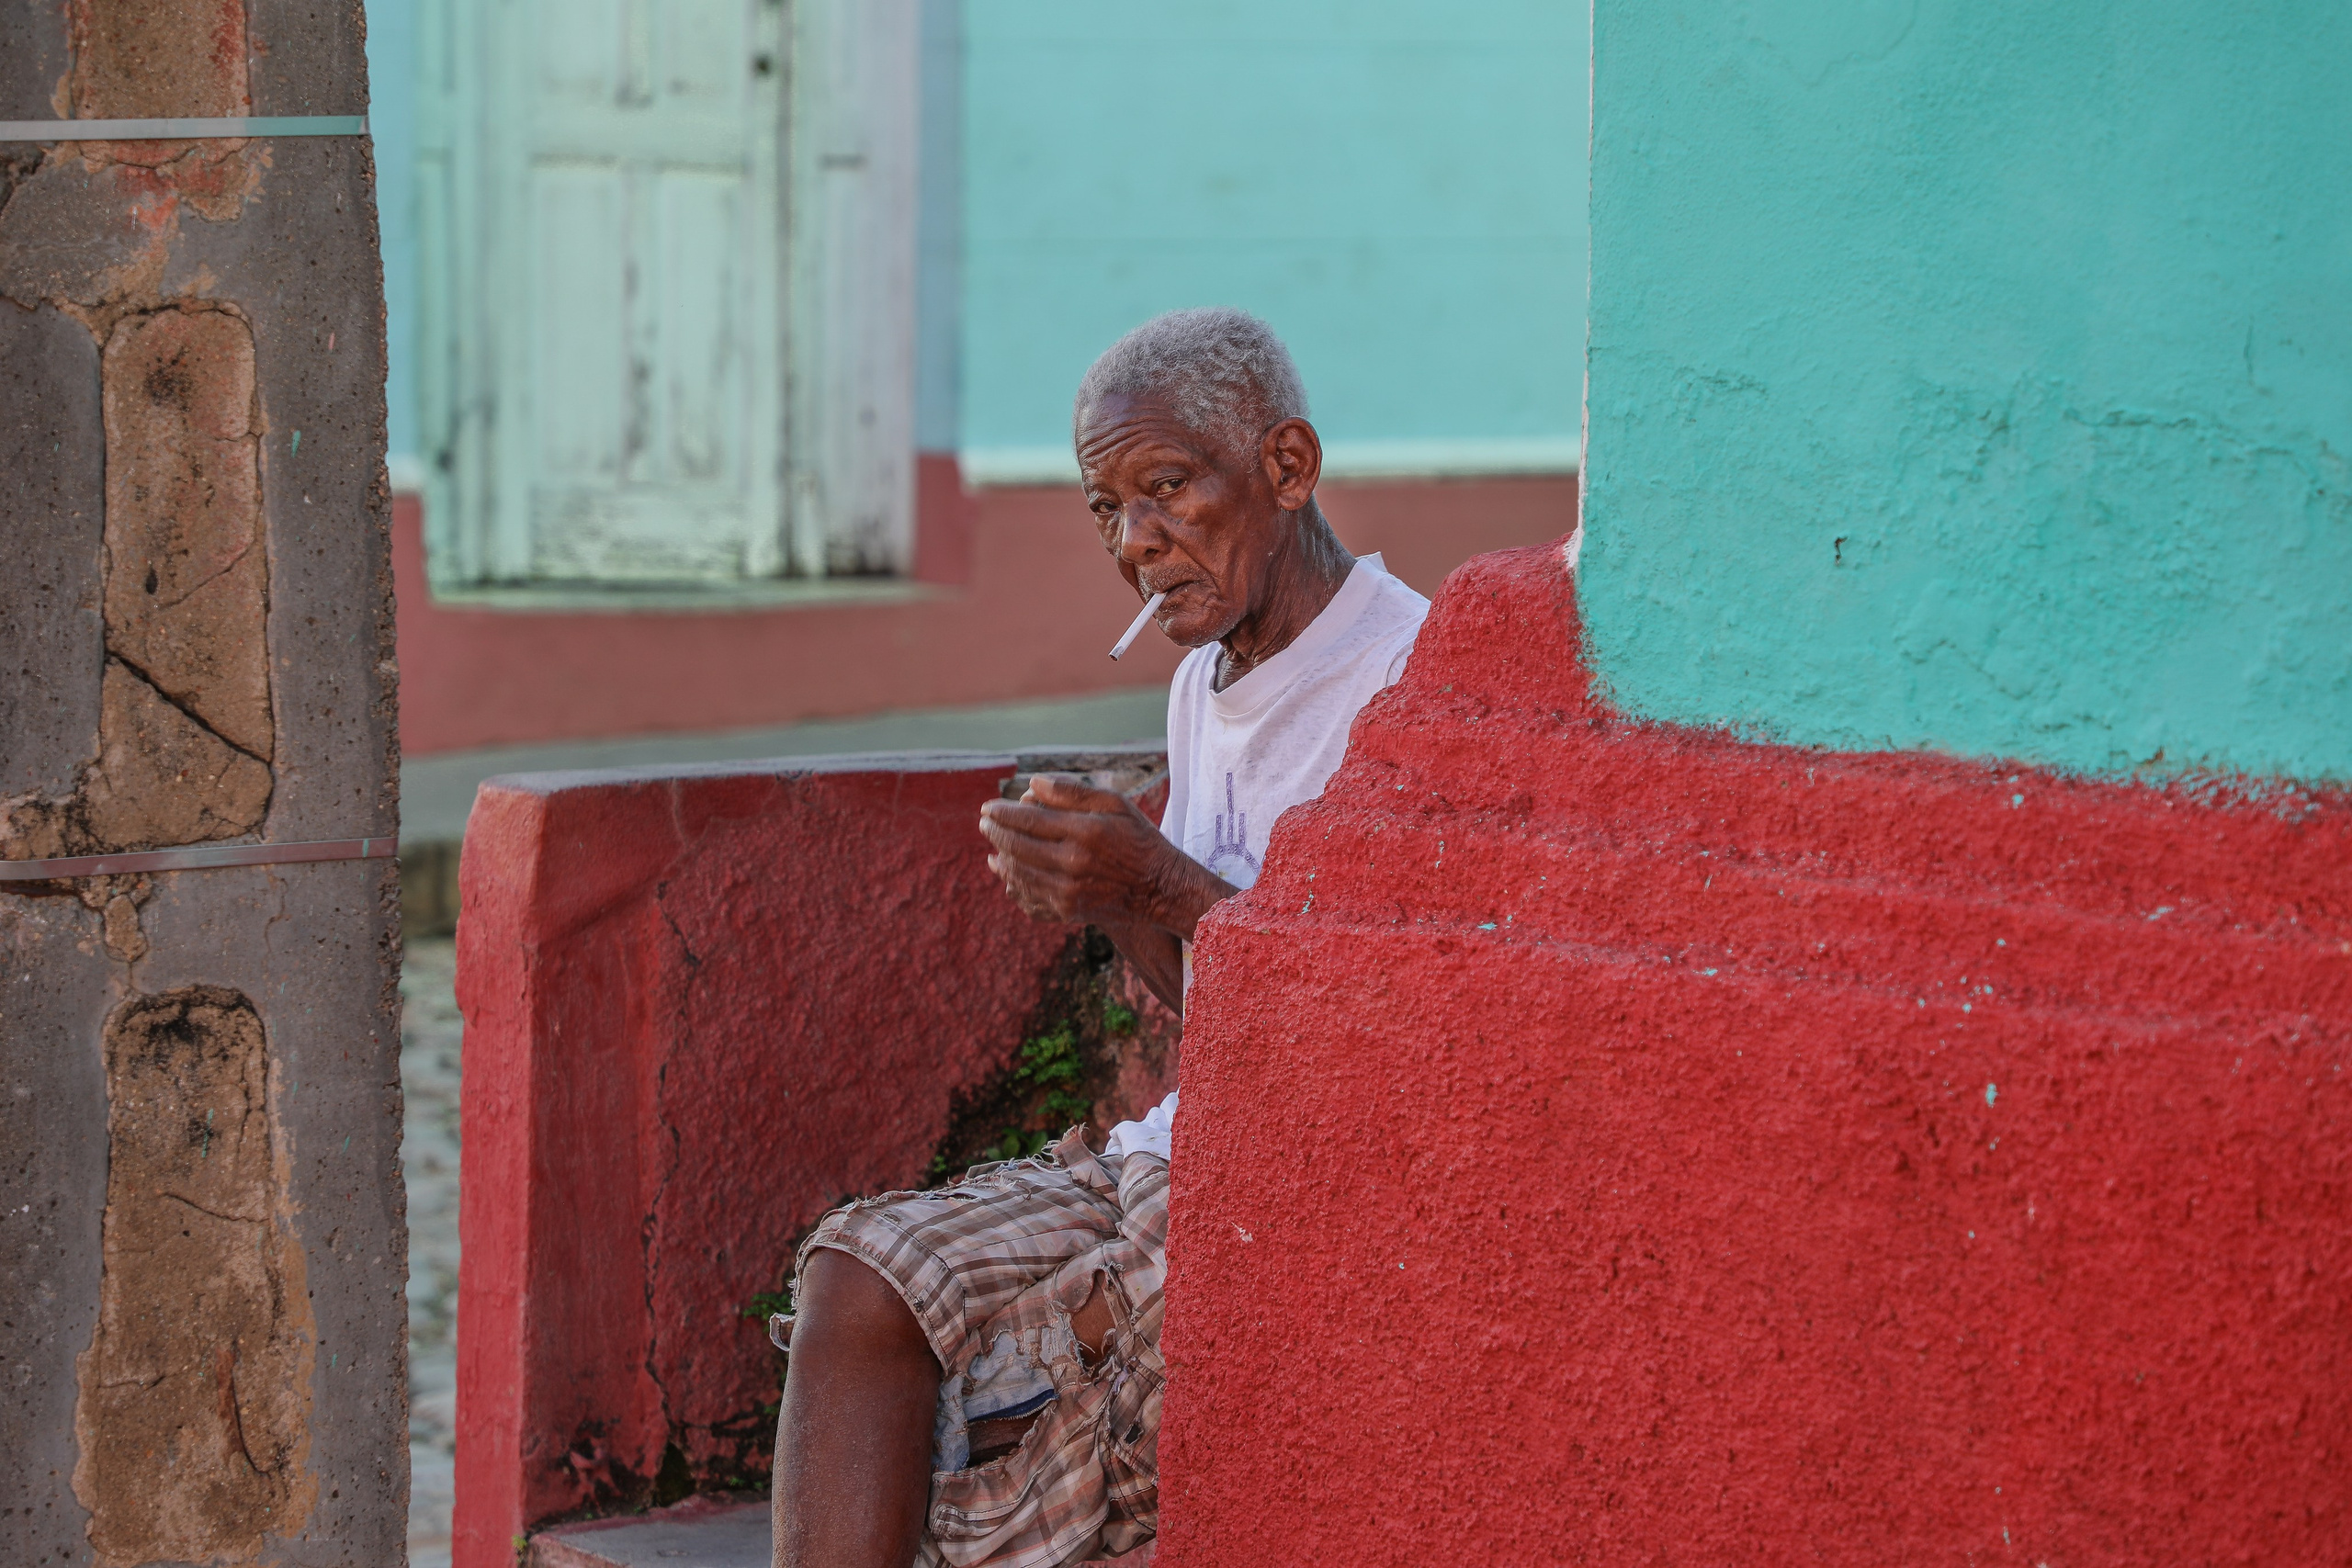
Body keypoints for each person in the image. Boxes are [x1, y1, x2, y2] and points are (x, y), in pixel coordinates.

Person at [772, 309, 1429, 1568]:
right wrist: (1111, 890)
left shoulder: (1409, 680)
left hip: (1304, 1186)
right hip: (1171, 1151)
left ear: (1286, 469)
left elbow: (1364, 1034)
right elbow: (1209, 1003)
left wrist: (1154, 874)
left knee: (1078, 1381)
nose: (1135, 544)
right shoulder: (1201, 681)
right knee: (857, 1281)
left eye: (1169, 489)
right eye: (1105, 508)